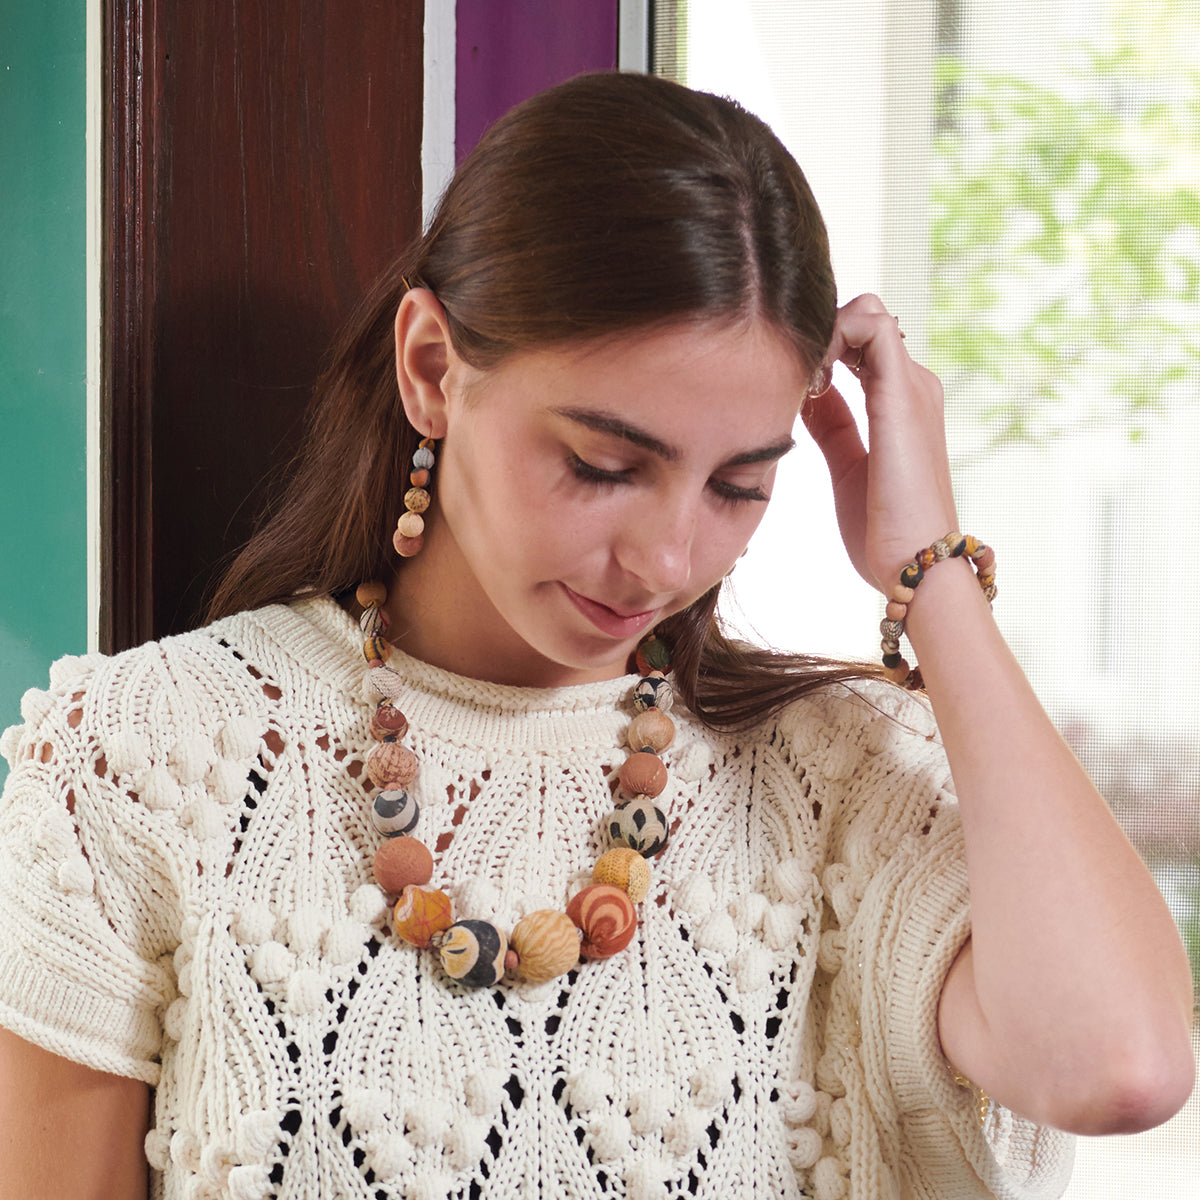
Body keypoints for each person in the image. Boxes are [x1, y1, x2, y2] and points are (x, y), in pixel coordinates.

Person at [0, 71, 1192, 1200]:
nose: (667, 561)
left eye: (739, 485)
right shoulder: (142, 757)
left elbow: (1119, 1065)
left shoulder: (845, 777)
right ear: (431, 370)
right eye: (605, 465)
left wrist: (934, 578)